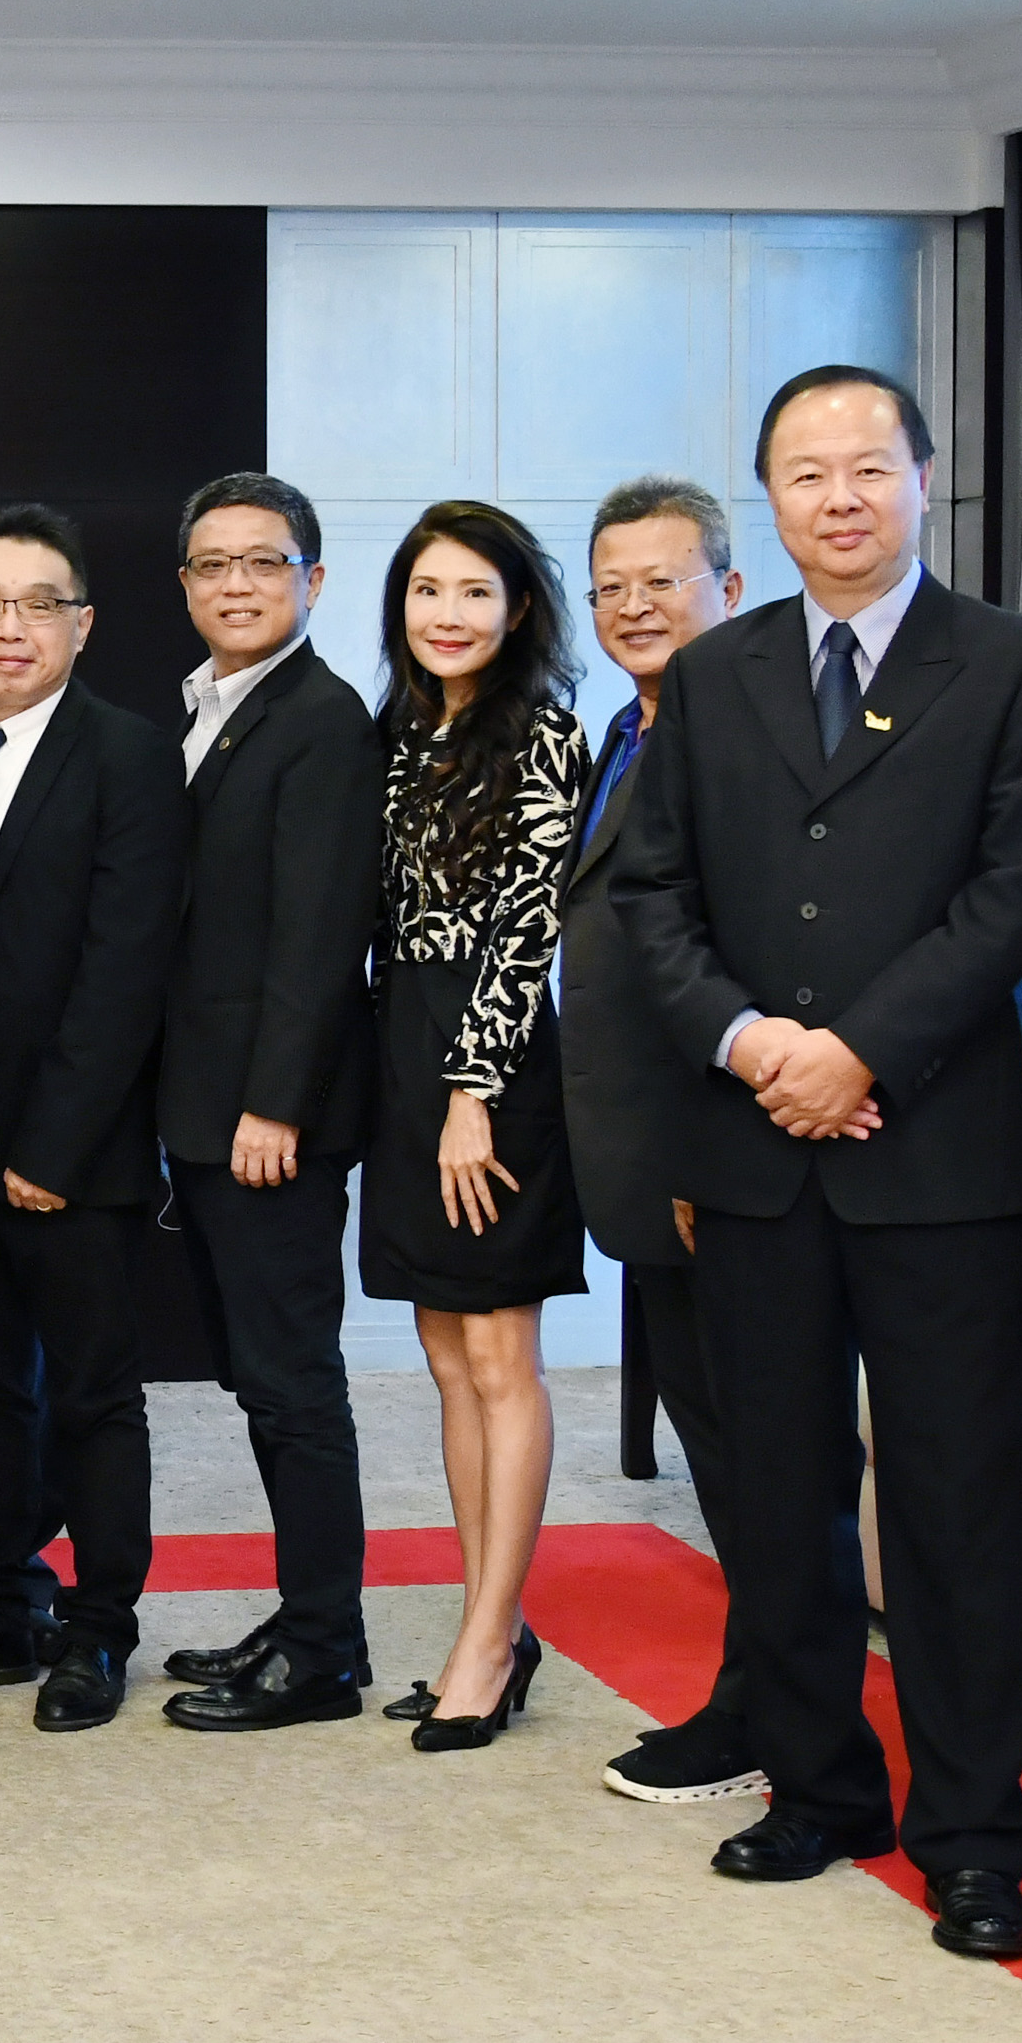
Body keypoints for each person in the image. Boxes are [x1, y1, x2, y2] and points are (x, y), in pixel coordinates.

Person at [613, 363, 1022, 1964]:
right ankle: (819, 1787)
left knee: (951, 1506)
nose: (838, 497)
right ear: (769, 498)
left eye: (867, 467)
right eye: (804, 473)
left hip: (935, 1157)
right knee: (775, 1493)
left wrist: (857, 1053)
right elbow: (652, 898)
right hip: (752, 1152)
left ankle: (973, 1836)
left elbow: (1012, 896)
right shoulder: (713, 674)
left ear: (922, 477)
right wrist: (756, 1047)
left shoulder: (1013, 667)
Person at [0, 507, 186, 1731]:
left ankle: (99, 1627)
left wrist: (50, 1145)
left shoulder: (128, 755)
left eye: (37, 603)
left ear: (81, 623)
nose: (8, 626)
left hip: (71, 1146)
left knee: (92, 1397)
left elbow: (125, 967)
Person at [156, 473, 384, 1735]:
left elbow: (318, 936)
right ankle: (305, 1614)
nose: (235, 584)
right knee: (260, 1377)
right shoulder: (211, 706)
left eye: (263, 561)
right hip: (207, 1109)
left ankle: (324, 1650)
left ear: (312, 578)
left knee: (294, 1382)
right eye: (212, 564)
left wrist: (274, 1107)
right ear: (183, 583)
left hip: (265, 1125)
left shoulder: (321, 719)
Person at [362, 501, 590, 1751]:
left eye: (472, 593)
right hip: (401, 1041)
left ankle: (490, 1640)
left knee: (501, 1356)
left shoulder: (542, 734)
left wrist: (471, 1092)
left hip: (485, 1064)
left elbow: (526, 929)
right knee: (446, 1355)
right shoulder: (402, 730)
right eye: (426, 590)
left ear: (516, 611)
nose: (445, 615)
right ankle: (484, 1621)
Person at [561, 477, 774, 1806]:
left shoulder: (744, 745)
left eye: (663, 581)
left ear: (728, 591)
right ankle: (760, 1692)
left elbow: (747, 968)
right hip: (647, 1157)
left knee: (756, 1456)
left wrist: (707, 1156)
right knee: (714, 1439)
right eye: (611, 587)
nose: (633, 605)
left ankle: (763, 1709)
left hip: (718, 1159)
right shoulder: (628, 729)